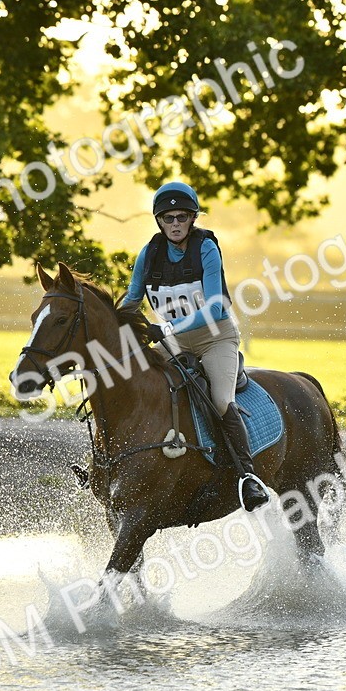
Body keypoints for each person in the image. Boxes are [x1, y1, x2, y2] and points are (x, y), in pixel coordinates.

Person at [120, 181, 270, 511]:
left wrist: (166, 328)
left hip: (216, 338)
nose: (175, 224)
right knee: (133, 382)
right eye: (168, 218)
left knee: (220, 400)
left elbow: (215, 308)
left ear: (193, 218)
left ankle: (247, 477)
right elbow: (131, 299)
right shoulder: (149, 254)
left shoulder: (206, 248)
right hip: (172, 342)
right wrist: (105, 321)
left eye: (182, 217)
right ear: (159, 221)